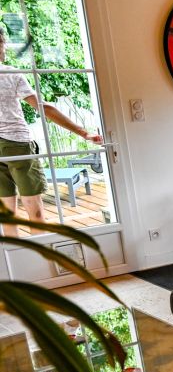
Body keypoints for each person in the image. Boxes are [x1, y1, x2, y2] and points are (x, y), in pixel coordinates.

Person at [0, 29, 103, 236]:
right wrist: (84, 133)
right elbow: (43, 107)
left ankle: (17, 264)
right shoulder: (9, 73)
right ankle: (43, 263)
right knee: (35, 212)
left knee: (7, 214)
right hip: (17, 144)